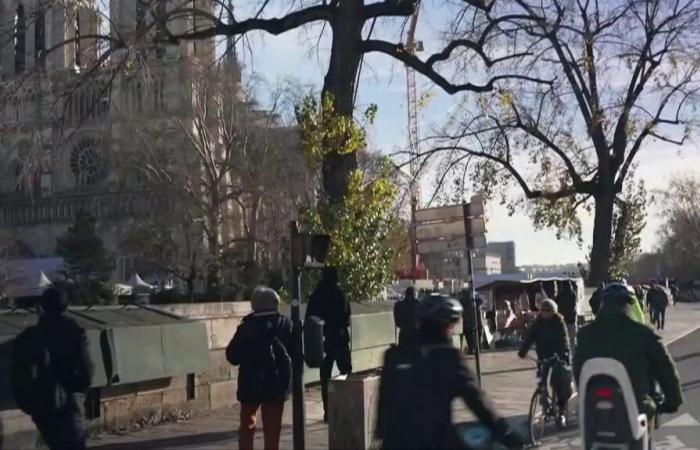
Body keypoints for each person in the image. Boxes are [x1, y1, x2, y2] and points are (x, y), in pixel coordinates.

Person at [376, 294, 527, 449]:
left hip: (394, 442)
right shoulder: (448, 357)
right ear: (445, 325)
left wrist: (381, 435)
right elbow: (477, 401)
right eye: (452, 325)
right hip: (434, 442)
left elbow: (383, 401)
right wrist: (507, 433)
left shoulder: (393, 355)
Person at [574, 283, 683, 422]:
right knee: (646, 416)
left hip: (595, 408)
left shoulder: (585, 335)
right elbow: (665, 368)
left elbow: (578, 369)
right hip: (635, 409)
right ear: (628, 305)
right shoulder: (643, 334)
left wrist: (584, 396)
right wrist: (673, 401)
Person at [12, 287, 94, 450]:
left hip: (41, 407)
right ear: (65, 307)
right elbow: (86, 371)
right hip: (66, 403)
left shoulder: (31, 335)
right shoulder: (73, 331)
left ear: (42, 307)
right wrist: (76, 388)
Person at [226, 286, 292, 450]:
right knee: (272, 429)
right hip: (276, 383)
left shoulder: (246, 326)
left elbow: (232, 356)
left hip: (250, 382)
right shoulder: (284, 323)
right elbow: (295, 353)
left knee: (247, 425)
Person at [306, 267, 352, 422]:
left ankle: (327, 411)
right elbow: (347, 317)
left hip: (323, 339)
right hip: (339, 337)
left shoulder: (316, 295)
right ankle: (346, 407)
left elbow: (310, 318)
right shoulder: (341, 295)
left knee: (325, 376)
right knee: (346, 373)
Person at [518, 299, 572, 428]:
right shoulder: (537, 324)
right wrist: (523, 351)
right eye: (542, 310)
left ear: (553, 311)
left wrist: (561, 354)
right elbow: (530, 337)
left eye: (547, 310)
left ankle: (561, 412)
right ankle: (543, 398)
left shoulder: (559, 322)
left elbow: (564, 340)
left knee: (559, 382)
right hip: (543, 356)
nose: (544, 312)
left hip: (558, 355)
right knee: (542, 378)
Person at [555, 281, 578, 351]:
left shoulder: (559, 296)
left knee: (563, 341)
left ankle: (565, 355)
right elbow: (573, 306)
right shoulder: (573, 295)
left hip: (563, 320)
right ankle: (574, 356)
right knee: (572, 341)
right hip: (572, 320)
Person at [460, 289, 484, 355]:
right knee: (474, 338)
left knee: (472, 337)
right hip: (473, 323)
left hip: (471, 323)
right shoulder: (475, 300)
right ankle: (474, 349)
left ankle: (473, 349)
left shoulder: (467, 301)